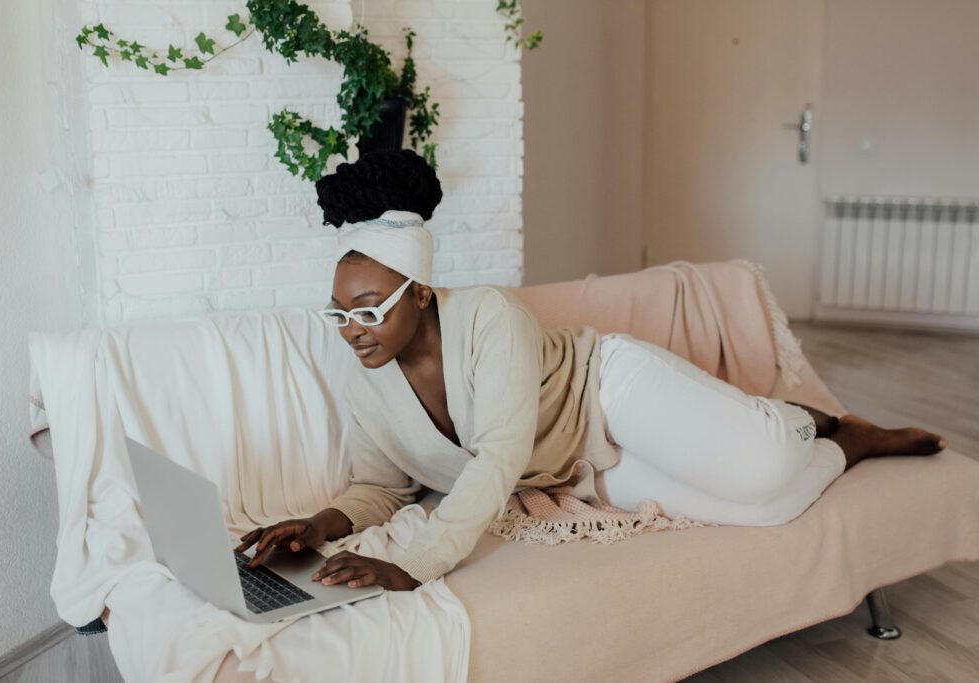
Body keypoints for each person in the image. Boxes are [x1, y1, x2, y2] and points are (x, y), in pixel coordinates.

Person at [234, 149, 947, 592]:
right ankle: (848, 442)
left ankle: (807, 420)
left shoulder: (489, 316)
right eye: (338, 313)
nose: (351, 330)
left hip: (612, 391)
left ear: (420, 292)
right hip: (579, 467)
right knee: (766, 508)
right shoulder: (368, 373)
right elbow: (380, 486)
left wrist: (417, 563)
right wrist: (319, 524)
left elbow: (501, 452)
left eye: (367, 309)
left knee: (762, 469)